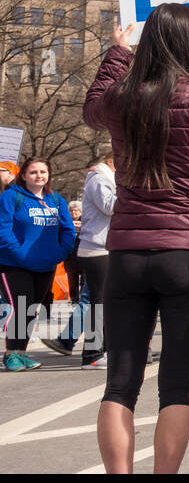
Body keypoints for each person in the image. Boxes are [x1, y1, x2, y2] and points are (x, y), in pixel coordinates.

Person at [82, 7, 189, 473]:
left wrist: (118, 52)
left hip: (126, 255)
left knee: (119, 383)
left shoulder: (121, 99)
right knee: (177, 384)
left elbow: (90, 105)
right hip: (186, 254)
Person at [0, 157, 77, 371]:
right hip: (14, 264)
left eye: (43, 172)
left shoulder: (56, 200)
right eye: (33, 172)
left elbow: (68, 230)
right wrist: (20, 255)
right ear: (23, 175)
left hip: (46, 265)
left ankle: (22, 353)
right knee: (20, 308)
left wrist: (59, 253)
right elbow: (3, 231)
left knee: (32, 310)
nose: (39, 176)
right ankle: (11, 354)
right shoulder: (10, 197)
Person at [41, 154, 115, 368]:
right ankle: (92, 354)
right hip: (97, 249)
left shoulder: (108, 178)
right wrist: (135, 194)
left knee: (103, 302)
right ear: (112, 160)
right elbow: (110, 206)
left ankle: (100, 350)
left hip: (106, 248)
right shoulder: (99, 178)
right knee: (97, 303)